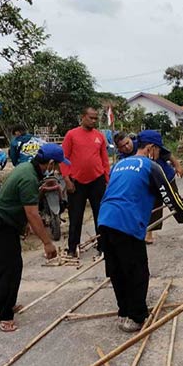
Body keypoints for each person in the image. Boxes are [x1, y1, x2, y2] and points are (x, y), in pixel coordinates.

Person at [98, 130, 183, 332]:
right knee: (137, 271)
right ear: (151, 148)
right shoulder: (151, 166)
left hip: (105, 221)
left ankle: (124, 312)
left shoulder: (119, 165)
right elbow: (172, 200)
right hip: (126, 223)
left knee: (117, 270)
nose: (159, 154)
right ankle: (136, 316)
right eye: (158, 150)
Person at [0, 144, 69, 332]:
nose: (57, 170)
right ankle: (5, 314)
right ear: (50, 163)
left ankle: (5, 301)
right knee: (9, 267)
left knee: (7, 264)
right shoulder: (29, 177)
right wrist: (47, 243)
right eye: (57, 166)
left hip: (4, 221)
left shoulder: (27, 167)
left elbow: (22, 200)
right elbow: (32, 214)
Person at [114, 131, 183, 243]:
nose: (127, 147)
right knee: (151, 206)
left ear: (130, 139)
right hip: (150, 182)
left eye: (127, 143)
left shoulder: (145, 143)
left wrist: (177, 166)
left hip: (165, 176)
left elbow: (167, 154)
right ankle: (149, 234)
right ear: (119, 149)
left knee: (175, 202)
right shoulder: (123, 157)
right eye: (122, 146)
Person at [60, 107, 110, 256]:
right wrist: (67, 179)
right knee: (75, 216)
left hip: (97, 181)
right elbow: (63, 158)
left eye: (96, 118)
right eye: (91, 118)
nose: (94, 121)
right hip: (77, 182)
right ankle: (72, 248)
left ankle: (103, 246)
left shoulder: (99, 136)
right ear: (83, 117)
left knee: (100, 215)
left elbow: (104, 160)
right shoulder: (71, 135)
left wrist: (107, 180)